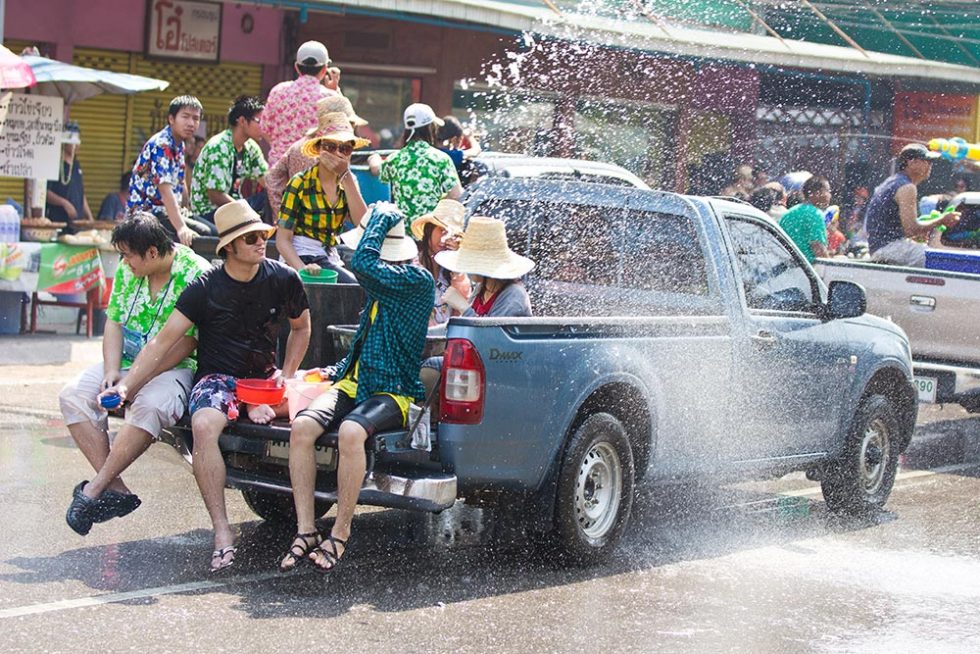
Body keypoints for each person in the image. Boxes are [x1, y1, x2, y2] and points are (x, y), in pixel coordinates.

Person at [105, 200, 311, 571]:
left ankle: (306, 527)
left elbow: (302, 327)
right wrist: (127, 385)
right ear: (228, 247)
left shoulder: (283, 278)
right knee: (202, 425)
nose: (259, 242)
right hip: (217, 378)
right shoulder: (205, 286)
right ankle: (221, 531)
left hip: (264, 380)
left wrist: (290, 371)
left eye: (261, 235)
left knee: (308, 415)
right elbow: (163, 341)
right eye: (249, 238)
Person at [279, 204, 432, 573]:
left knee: (350, 432)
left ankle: (341, 532)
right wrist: (329, 371)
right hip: (355, 382)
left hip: (394, 390)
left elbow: (362, 263)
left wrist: (379, 217)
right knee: (301, 428)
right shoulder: (381, 286)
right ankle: (306, 530)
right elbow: (365, 343)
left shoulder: (417, 281)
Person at [61, 214, 211, 536]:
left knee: (152, 405)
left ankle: (94, 490)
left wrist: (133, 384)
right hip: (127, 362)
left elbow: (185, 342)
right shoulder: (131, 271)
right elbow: (114, 321)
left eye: (128, 256)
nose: (124, 263)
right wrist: (113, 371)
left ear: (153, 253)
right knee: (72, 394)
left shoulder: (196, 274)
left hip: (174, 367)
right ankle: (116, 491)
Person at [276, 112, 370, 283]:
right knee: (353, 287)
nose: (337, 154)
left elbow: (362, 224)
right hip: (301, 255)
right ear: (319, 149)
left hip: (330, 256)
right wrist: (302, 269)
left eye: (345, 149)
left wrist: (345, 176)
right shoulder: (300, 183)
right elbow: (283, 240)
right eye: (330, 147)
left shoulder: (349, 182)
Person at [128, 96, 215, 244]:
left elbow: (181, 183)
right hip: (148, 214)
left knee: (213, 232)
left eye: (195, 118)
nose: (191, 123)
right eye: (185, 117)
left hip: (166, 212)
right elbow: (165, 190)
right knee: (202, 235)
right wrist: (181, 227)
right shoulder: (162, 145)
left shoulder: (179, 144)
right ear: (171, 119)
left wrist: (186, 210)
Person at [266, 94, 368, 219]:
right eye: (349, 123)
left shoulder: (335, 148)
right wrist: (282, 215)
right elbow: (272, 178)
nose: (352, 128)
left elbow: (272, 177)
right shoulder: (313, 151)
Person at [368, 103, 462, 229]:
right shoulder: (441, 159)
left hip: (402, 234)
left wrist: (373, 157)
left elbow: (376, 170)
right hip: (430, 232)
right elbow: (456, 194)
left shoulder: (396, 158)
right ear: (430, 128)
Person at [866, 143, 961, 267]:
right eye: (926, 161)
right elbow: (911, 229)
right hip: (889, 249)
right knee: (941, 260)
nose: (930, 165)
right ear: (911, 162)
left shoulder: (893, 181)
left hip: (881, 248)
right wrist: (942, 220)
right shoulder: (907, 187)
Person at [190, 95, 269, 223]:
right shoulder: (218, 147)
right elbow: (215, 195)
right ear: (242, 121)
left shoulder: (250, 147)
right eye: (260, 121)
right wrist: (246, 213)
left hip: (234, 208)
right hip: (209, 213)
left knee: (270, 195)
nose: (264, 127)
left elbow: (267, 181)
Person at [263, 41, 340, 166]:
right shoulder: (330, 98)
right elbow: (342, 135)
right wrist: (336, 92)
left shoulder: (278, 91)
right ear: (324, 69)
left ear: (297, 67)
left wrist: (280, 147)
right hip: (311, 176)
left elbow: (265, 129)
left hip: (279, 172)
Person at [411, 198, 471, 325]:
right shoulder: (414, 268)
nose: (445, 239)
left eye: (451, 234)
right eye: (441, 230)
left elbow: (462, 303)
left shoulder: (454, 272)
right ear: (429, 229)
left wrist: (456, 262)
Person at [46, 122, 93, 232]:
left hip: (76, 223)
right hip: (59, 222)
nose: (76, 145)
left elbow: (81, 193)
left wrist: (89, 216)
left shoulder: (76, 165)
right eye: (73, 142)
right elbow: (46, 192)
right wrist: (64, 203)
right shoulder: (56, 164)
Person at [779, 175, 832, 263]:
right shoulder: (815, 213)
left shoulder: (790, 212)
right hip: (806, 270)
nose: (830, 195)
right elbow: (818, 249)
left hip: (787, 266)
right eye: (827, 191)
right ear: (817, 193)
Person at [436, 115, 482, 185]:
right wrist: (470, 137)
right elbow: (476, 151)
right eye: (460, 140)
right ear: (454, 139)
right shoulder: (450, 155)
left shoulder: (432, 149)